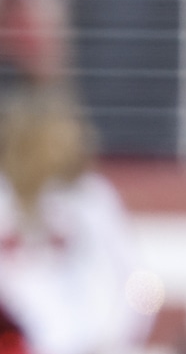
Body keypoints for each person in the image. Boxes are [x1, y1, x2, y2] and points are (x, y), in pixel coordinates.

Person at [0, 86, 152, 354]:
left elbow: (137, 276)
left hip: (87, 345)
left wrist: (119, 338)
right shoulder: (4, 197)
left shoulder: (91, 197)